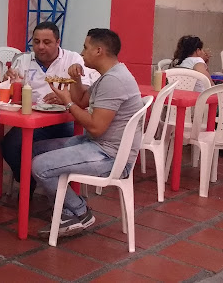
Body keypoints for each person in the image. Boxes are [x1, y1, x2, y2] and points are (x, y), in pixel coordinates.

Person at [33, 28, 143, 237]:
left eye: (85, 47)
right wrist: (75, 80)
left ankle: (79, 211)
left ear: (99, 51)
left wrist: (67, 103)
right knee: (36, 149)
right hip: (96, 144)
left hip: (110, 156)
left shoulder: (114, 81)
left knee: (40, 165)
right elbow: (82, 101)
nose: (81, 53)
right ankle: (66, 209)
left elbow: (95, 126)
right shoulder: (109, 75)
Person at [0, 21, 95, 185]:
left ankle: (50, 185)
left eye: (47, 42)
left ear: (58, 42)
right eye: (36, 42)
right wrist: (8, 81)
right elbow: (8, 91)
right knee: (9, 145)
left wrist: (67, 98)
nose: (40, 47)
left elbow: (85, 92)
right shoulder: (24, 60)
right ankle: (28, 182)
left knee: (66, 147)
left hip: (64, 120)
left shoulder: (73, 59)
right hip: (32, 122)